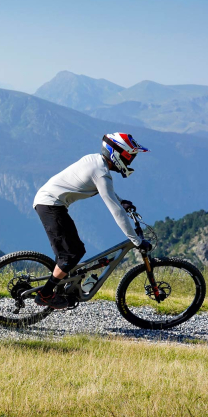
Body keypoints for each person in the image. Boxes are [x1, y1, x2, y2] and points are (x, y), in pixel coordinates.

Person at [32, 132, 152, 309]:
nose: (130, 161)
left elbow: (108, 193)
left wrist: (121, 201)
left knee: (73, 251)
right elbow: (115, 211)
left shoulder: (96, 160)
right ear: (117, 154)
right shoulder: (101, 173)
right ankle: (45, 294)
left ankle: (64, 287)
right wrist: (136, 240)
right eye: (129, 157)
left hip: (49, 202)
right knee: (71, 253)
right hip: (50, 204)